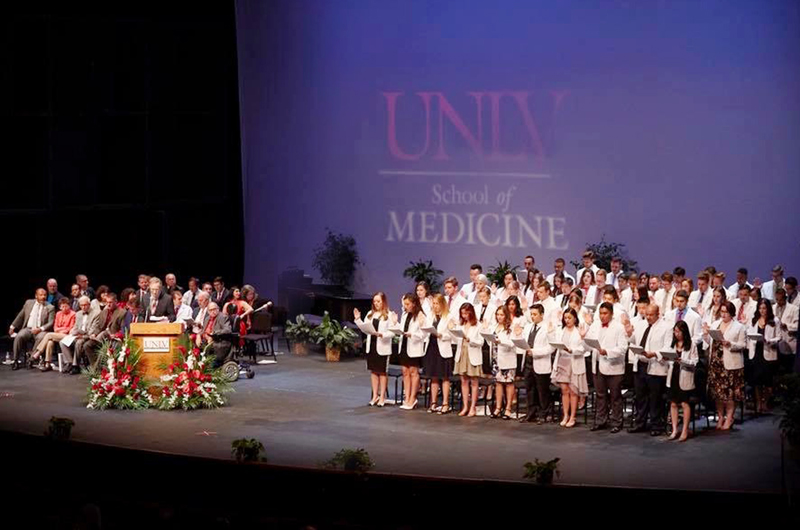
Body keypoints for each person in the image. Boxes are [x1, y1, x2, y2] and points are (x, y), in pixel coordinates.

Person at [625, 304, 671, 436]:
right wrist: (629, 334)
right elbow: (634, 340)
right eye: (647, 315)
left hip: (655, 365)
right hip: (640, 364)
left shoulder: (666, 327)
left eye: (651, 315)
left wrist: (655, 353)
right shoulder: (641, 324)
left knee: (655, 398)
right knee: (640, 396)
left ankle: (657, 425)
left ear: (658, 314)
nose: (648, 317)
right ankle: (640, 423)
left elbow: (668, 348)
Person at [703, 301, 746, 430]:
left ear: (731, 313)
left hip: (731, 364)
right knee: (717, 393)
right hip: (716, 363)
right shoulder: (716, 324)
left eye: (726, 312)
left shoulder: (739, 327)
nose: (723, 314)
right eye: (721, 312)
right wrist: (706, 334)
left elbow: (743, 345)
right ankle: (720, 416)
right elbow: (709, 342)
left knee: (729, 394)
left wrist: (730, 344)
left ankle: (729, 417)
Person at [586, 302, 628, 433]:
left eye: (605, 313)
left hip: (613, 366)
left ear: (611, 314)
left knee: (615, 396)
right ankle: (600, 420)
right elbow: (589, 343)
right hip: (598, 364)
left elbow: (622, 348)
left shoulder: (619, 328)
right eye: (601, 313)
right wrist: (584, 339)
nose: (602, 316)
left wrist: (607, 352)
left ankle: (617, 422)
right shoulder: (595, 325)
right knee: (600, 395)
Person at [354, 292, 397, 407]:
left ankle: (382, 396)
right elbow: (365, 328)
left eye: (378, 301)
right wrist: (358, 320)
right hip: (372, 346)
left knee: (382, 372)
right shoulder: (370, 314)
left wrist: (383, 335)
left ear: (383, 301)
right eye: (375, 301)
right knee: (373, 371)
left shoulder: (389, 314)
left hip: (383, 346)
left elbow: (393, 332)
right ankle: (375, 396)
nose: (376, 303)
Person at [516, 303, 554, 423]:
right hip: (528, 363)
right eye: (531, 314)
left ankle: (544, 413)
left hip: (540, 362)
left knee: (542, 390)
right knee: (530, 389)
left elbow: (551, 348)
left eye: (535, 314)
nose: (532, 317)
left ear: (542, 315)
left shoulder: (547, 327)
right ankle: (531, 412)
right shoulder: (528, 327)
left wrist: (535, 352)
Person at [551, 307, 588, 427]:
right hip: (562, 361)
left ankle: (573, 416)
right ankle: (565, 415)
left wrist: (573, 348)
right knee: (564, 391)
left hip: (574, 362)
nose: (567, 320)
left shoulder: (579, 331)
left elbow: (583, 349)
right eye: (565, 318)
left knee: (573, 391)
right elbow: (555, 343)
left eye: (569, 318)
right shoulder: (561, 330)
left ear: (575, 318)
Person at [665, 320, 698, 441]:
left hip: (685, 376)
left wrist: (683, 361)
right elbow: (669, 360)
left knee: (684, 403)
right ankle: (674, 430)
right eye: (675, 331)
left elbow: (695, 362)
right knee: (673, 403)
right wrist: (667, 358)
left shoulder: (691, 345)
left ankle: (684, 430)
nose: (676, 334)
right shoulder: (672, 344)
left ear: (684, 332)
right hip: (673, 375)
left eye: (678, 331)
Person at [422, 293, 454, 413]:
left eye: (437, 303)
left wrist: (442, 335)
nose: (435, 306)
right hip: (432, 347)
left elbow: (452, 335)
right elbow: (425, 330)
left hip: (443, 348)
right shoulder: (430, 316)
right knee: (433, 376)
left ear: (442, 304)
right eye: (433, 303)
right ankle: (433, 402)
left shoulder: (448, 317)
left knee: (444, 376)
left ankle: (445, 403)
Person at [9, 288, 55, 370]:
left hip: (41, 330)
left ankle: (31, 360)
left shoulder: (50, 307)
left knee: (41, 337)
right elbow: (21, 315)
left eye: (45, 295)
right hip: (28, 328)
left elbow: (51, 322)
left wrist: (40, 329)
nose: (43, 297)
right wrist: (12, 326)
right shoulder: (28, 303)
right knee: (19, 336)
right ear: (36, 296)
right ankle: (15, 360)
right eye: (41, 295)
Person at [748, 299, 780, 413]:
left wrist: (769, 340)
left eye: (764, 308)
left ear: (768, 309)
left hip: (768, 353)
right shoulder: (754, 319)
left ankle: (765, 402)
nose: (762, 311)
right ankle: (759, 403)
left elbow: (779, 337)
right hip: (756, 352)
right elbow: (749, 333)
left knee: (768, 381)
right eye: (760, 308)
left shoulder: (774, 320)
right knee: (757, 381)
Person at [80, 292, 126, 368]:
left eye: (110, 302)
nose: (108, 304)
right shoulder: (104, 312)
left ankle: (96, 369)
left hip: (113, 338)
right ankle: (95, 367)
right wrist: (94, 334)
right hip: (101, 337)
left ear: (116, 302)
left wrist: (115, 335)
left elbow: (123, 329)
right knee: (87, 345)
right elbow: (99, 326)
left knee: (104, 341)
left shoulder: (122, 313)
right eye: (107, 302)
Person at [397, 293, 426, 410]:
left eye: (408, 304)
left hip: (414, 346)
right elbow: (402, 329)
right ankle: (407, 396)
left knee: (414, 371)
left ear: (414, 304)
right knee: (405, 371)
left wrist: (412, 334)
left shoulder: (420, 315)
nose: (406, 306)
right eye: (404, 304)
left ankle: (412, 398)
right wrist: (395, 324)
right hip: (404, 345)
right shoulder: (405, 315)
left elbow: (424, 334)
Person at [454, 303, 483, 417]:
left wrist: (470, 339)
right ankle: (465, 406)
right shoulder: (461, 324)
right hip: (462, 353)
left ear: (471, 312)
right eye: (462, 313)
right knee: (464, 381)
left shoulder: (477, 325)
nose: (464, 315)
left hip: (473, 354)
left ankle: (473, 407)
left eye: (466, 313)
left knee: (474, 382)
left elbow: (481, 342)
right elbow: (456, 339)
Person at [31, 297, 75, 372]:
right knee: (49, 342)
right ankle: (47, 364)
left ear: (69, 306)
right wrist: (61, 330)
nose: (64, 308)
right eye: (62, 306)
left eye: (66, 306)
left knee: (49, 335)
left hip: (67, 336)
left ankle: (38, 352)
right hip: (58, 334)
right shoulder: (58, 314)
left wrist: (61, 330)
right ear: (60, 307)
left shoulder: (73, 314)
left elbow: (70, 328)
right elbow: (55, 327)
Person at [488, 305, 517, 419]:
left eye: (501, 315)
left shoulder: (511, 327)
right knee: (498, 383)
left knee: (508, 383)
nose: (499, 317)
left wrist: (501, 341)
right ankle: (498, 407)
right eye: (497, 314)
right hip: (496, 359)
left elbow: (512, 343)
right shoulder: (495, 326)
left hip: (507, 358)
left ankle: (508, 408)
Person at [60, 296, 91, 374]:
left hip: (87, 336)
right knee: (62, 342)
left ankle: (75, 366)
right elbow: (76, 326)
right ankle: (70, 363)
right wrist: (73, 332)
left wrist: (82, 335)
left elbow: (92, 330)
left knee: (79, 342)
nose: (83, 307)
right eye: (81, 305)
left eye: (85, 305)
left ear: (89, 304)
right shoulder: (78, 314)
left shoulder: (95, 313)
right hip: (77, 335)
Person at [773, 288, 799, 373]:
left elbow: (797, 326)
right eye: (777, 299)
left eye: (780, 300)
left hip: (788, 342)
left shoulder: (794, 309)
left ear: (785, 298)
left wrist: (787, 326)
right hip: (775, 344)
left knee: (788, 369)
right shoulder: (773, 308)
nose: (778, 302)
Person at [199, 302, 232, 367]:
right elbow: (203, 331)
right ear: (208, 311)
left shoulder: (223, 317)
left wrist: (213, 334)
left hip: (219, 341)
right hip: (205, 341)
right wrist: (198, 335)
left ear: (218, 309)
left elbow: (228, 330)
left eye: (214, 309)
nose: (213, 311)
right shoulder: (207, 319)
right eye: (211, 310)